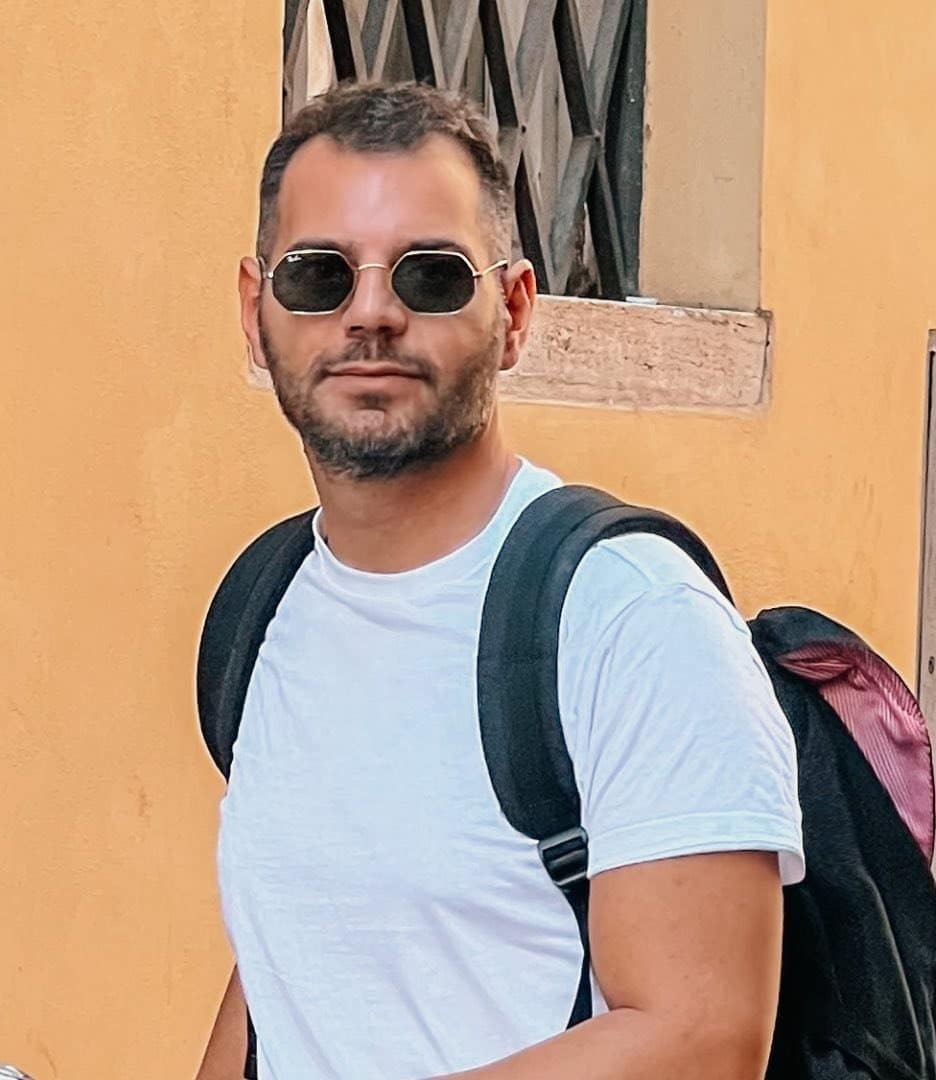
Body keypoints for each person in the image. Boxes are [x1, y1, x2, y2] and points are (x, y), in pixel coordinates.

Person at [195, 81, 803, 1080]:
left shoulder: (628, 618)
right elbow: (289, 972)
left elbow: (702, 1040)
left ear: (515, 312)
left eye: (432, 277)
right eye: (319, 276)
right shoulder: (267, 606)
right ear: (255, 311)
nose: (374, 313)